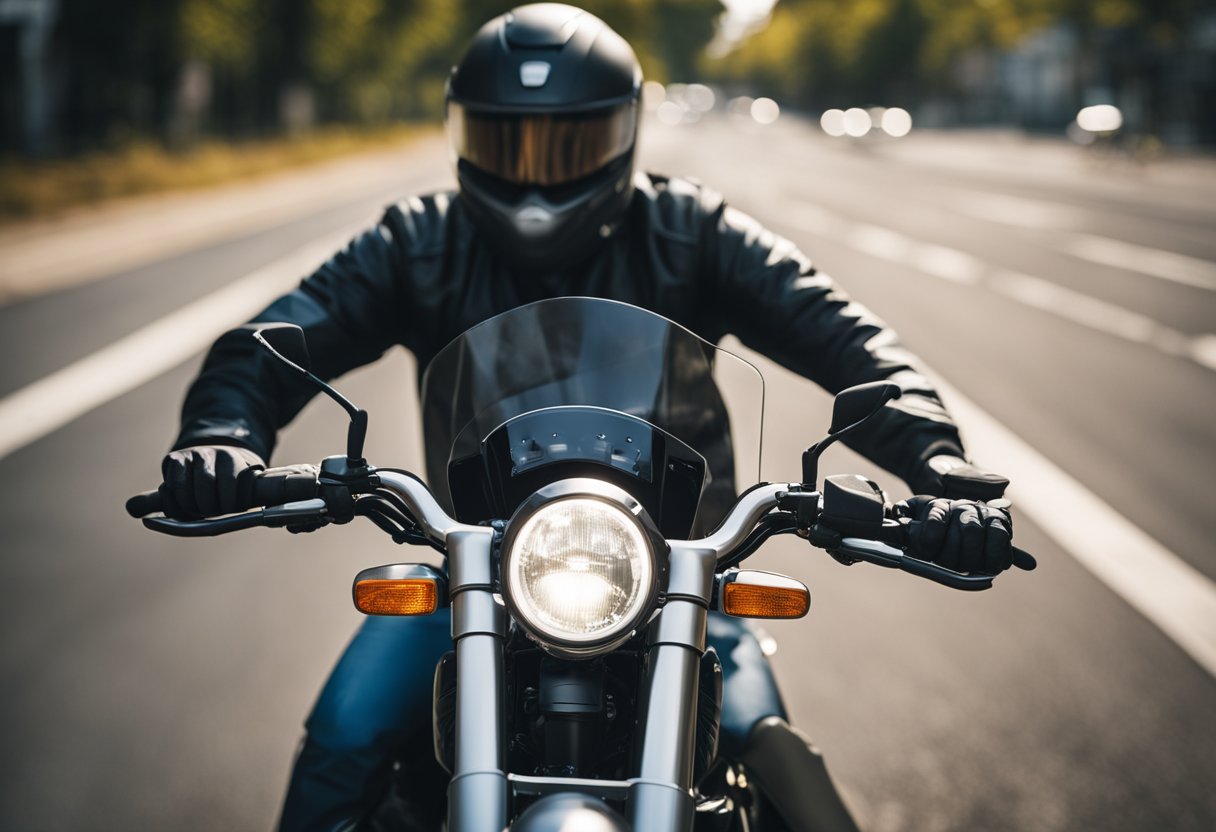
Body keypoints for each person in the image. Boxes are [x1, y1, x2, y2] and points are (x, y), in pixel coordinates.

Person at [152, 5, 1016, 830]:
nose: (534, 175)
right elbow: (277, 338)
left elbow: (850, 340)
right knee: (343, 738)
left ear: (622, 133)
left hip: (680, 572)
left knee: (777, 756)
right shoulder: (420, 240)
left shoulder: (692, 230)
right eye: (504, 141)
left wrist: (935, 462)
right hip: (475, 576)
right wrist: (224, 435)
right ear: (462, 134)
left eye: (567, 145)